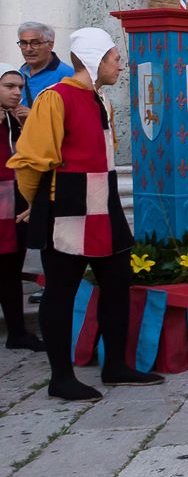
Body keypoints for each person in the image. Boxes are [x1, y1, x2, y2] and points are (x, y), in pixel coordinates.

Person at [8, 29, 162, 399]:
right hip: (68, 206)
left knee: (117, 284)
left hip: (104, 204)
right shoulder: (54, 99)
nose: (119, 65)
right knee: (60, 291)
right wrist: (37, 203)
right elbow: (31, 162)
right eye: (114, 58)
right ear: (95, 61)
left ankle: (115, 367)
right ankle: (61, 378)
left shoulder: (101, 101)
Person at [0, 64, 42, 351]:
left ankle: (17, 332)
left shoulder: (14, 121)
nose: (17, 93)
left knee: (10, 268)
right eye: (9, 87)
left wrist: (30, 125)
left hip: (13, 202)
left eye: (19, 87)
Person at [13, 22, 74, 117]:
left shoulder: (68, 75)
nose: (28, 49)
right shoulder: (17, 74)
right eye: (23, 43)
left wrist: (34, 115)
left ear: (50, 45)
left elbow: (73, 115)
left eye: (35, 43)